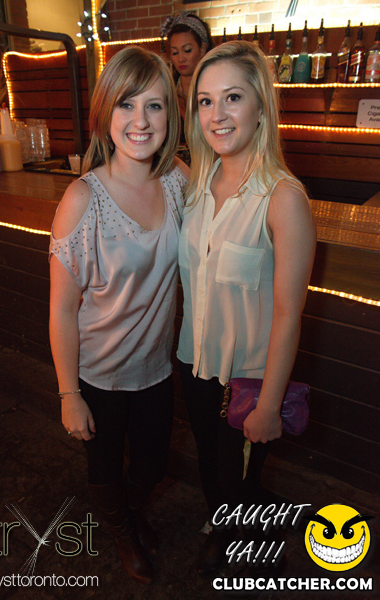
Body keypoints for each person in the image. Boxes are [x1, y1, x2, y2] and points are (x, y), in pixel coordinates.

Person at [49, 46, 189, 585]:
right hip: (100, 374)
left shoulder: (177, 179)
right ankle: (122, 530)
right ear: (105, 113)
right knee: (105, 467)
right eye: (127, 104)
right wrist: (69, 393)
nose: (140, 120)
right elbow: (63, 308)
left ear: (170, 115)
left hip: (155, 369)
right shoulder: (83, 199)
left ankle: (129, 513)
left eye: (154, 105)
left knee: (152, 466)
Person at [177, 41, 316, 577]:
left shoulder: (283, 198)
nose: (217, 114)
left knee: (238, 479)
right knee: (212, 467)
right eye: (205, 101)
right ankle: (225, 524)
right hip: (194, 365)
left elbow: (288, 315)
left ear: (260, 105)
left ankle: (241, 548)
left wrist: (270, 404)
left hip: (248, 379)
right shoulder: (196, 185)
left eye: (232, 97)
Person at [160, 11, 213, 132]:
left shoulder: (214, 90)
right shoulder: (167, 92)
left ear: (202, 49)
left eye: (187, 50)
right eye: (175, 52)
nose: (180, 59)